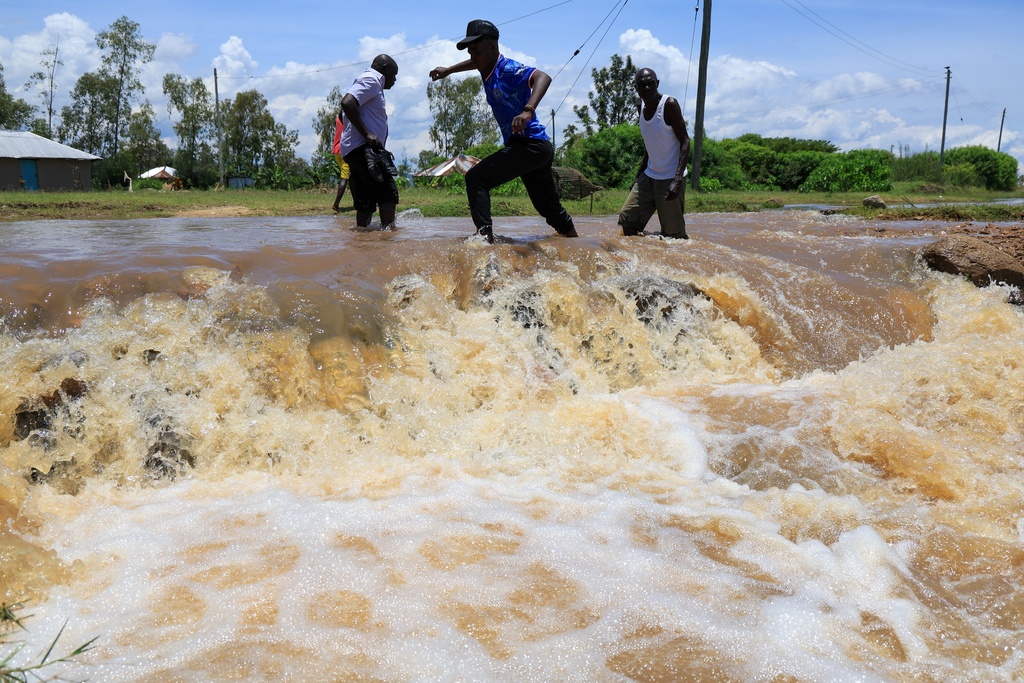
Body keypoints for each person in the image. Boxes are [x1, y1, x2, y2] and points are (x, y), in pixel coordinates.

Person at [430, 19, 577, 243]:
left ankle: (484, 241)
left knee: (477, 178)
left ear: (492, 46)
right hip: (534, 148)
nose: (472, 56)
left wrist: (528, 110)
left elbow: (542, 77)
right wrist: (448, 71)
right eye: (470, 52)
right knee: (548, 208)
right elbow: (472, 64)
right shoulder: (484, 66)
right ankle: (576, 243)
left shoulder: (507, 69)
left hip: (530, 145)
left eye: (475, 51)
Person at [618, 67, 691, 239]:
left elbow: (685, 141)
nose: (647, 88)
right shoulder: (640, 107)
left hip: (670, 177)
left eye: (651, 83)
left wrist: (677, 179)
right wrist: (638, 176)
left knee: (675, 237)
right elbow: (650, 145)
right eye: (642, 85)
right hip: (649, 176)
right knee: (628, 220)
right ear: (636, 88)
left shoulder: (669, 105)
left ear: (657, 84)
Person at [340, 54, 399, 229]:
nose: (394, 80)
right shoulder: (372, 80)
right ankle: (388, 239)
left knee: (365, 200)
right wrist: (367, 134)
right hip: (365, 149)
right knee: (387, 194)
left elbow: (345, 110)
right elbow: (347, 103)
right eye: (394, 75)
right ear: (385, 69)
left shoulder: (367, 82)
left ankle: (363, 240)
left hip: (355, 150)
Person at [330, 114, 349, 212]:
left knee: (350, 176)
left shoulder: (337, 119)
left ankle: (356, 202)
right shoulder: (349, 120)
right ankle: (336, 204)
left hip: (336, 151)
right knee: (345, 177)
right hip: (345, 150)